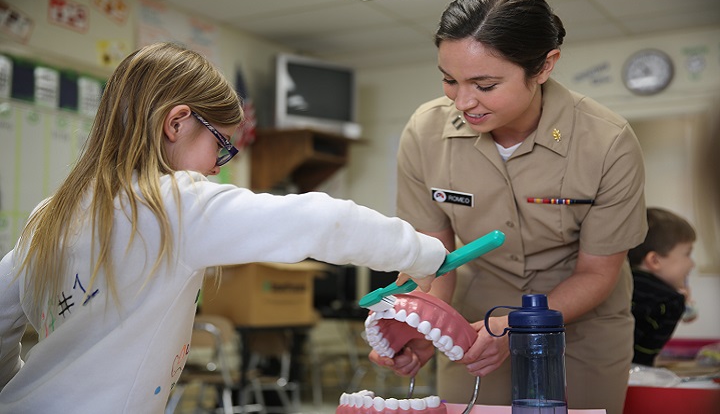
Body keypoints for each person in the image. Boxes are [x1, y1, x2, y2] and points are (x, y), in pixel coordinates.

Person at [0, 42, 449, 414]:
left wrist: (25, 390)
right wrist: (428, 255)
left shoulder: (51, 213)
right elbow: (325, 221)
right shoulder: (173, 205)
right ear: (176, 123)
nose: (218, 166)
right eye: (221, 145)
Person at [368, 0, 647, 414]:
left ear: (544, 67)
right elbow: (433, 259)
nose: (463, 102)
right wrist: (421, 323)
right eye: (449, 79)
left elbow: (597, 272)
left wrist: (516, 326)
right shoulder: (424, 134)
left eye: (485, 84)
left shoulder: (607, 142)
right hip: (474, 320)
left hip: (583, 322)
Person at [628, 207, 697, 366]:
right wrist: (678, 303)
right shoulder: (669, 301)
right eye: (687, 254)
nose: (692, 264)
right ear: (654, 260)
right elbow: (643, 359)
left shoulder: (622, 282)